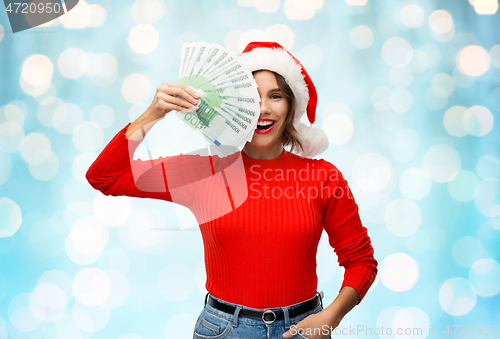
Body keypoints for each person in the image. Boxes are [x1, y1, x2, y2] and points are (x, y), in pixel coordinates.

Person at [86, 41, 378, 339]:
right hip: (223, 330)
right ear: (235, 105)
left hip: (304, 329)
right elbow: (105, 177)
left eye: (275, 96)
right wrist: (152, 113)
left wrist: (330, 317)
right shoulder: (203, 173)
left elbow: (361, 261)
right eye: (252, 97)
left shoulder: (323, 177)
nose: (263, 108)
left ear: (291, 106)